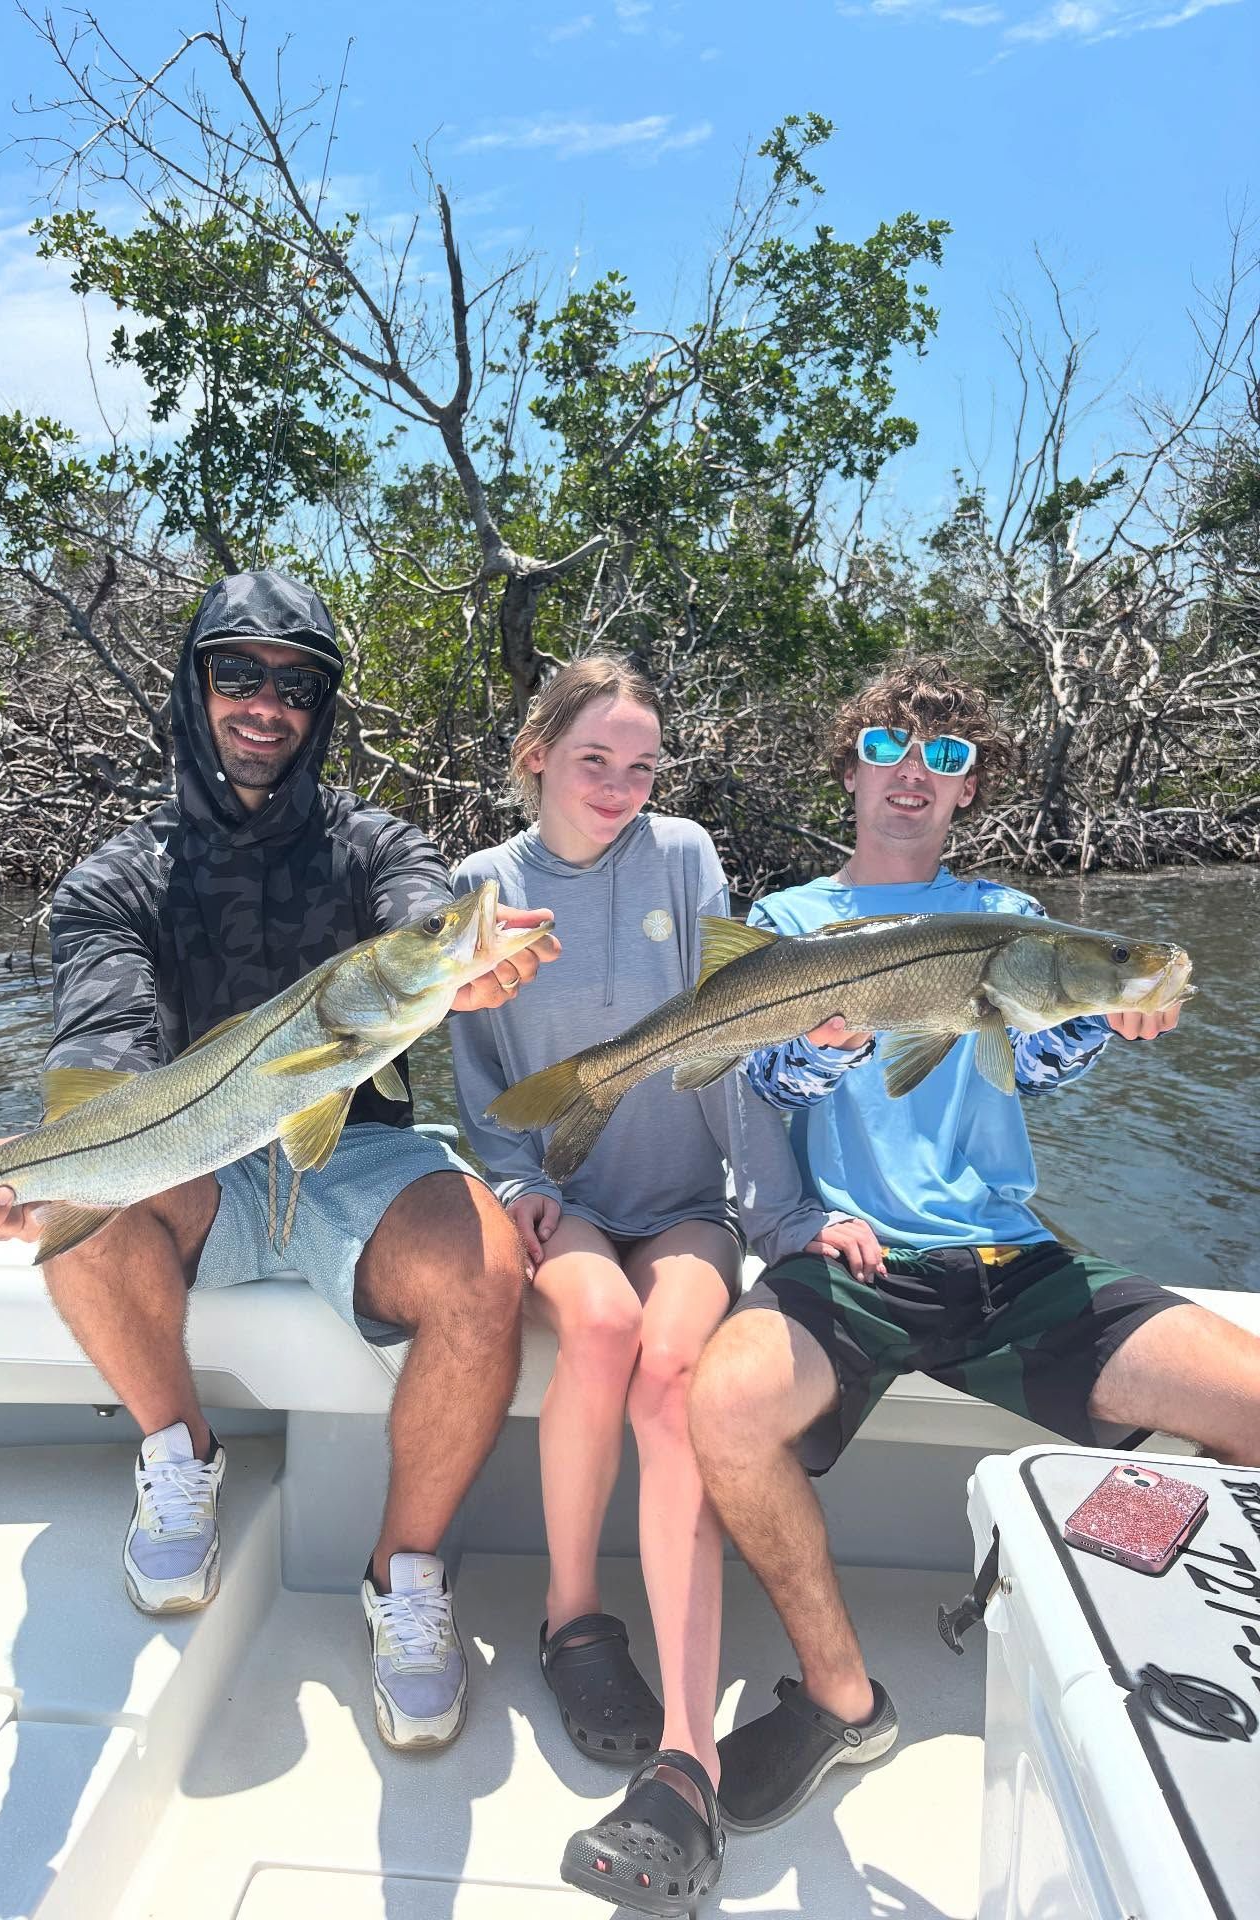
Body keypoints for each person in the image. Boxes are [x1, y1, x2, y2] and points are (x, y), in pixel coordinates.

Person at [0, 569, 558, 1755]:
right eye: (239, 675)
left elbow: (425, 907)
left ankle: (403, 1574)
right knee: (84, 1204)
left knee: (484, 1272)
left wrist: (458, 960)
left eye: (297, 686)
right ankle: (179, 1451)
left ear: (322, 708)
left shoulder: (377, 844)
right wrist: (45, 1162)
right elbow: (106, 1052)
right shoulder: (115, 879)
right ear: (196, 684)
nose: (267, 705)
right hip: (190, 1158)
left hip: (354, 1149)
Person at [688, 656, 1260, 1834]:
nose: (913, 772)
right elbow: (767, 1083)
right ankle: (843, 1700)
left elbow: (1033, 1065)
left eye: (944, 756)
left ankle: (1178, 1646)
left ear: (967, 786)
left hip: (1011, 1260)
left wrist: (1106, 1011)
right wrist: (829, 1043)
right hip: (849, 1260)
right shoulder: (785, 924)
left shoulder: (1011, 919)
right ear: (851, 769)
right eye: (889, 748)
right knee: (726, 1408)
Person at [450, 655, 823, 1911]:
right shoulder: (481, 887)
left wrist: (779, 1214)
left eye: (642, 766)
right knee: (600, 1327)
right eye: (594, 760)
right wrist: (513, 1181)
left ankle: (687, 1747)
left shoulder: (685, 858)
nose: (619, 786)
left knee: (672, 1376)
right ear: (536, 757)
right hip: (559, 1194)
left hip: (683, 1204)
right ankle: (574, 1621)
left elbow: (731, 1040)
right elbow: (476, 1075)